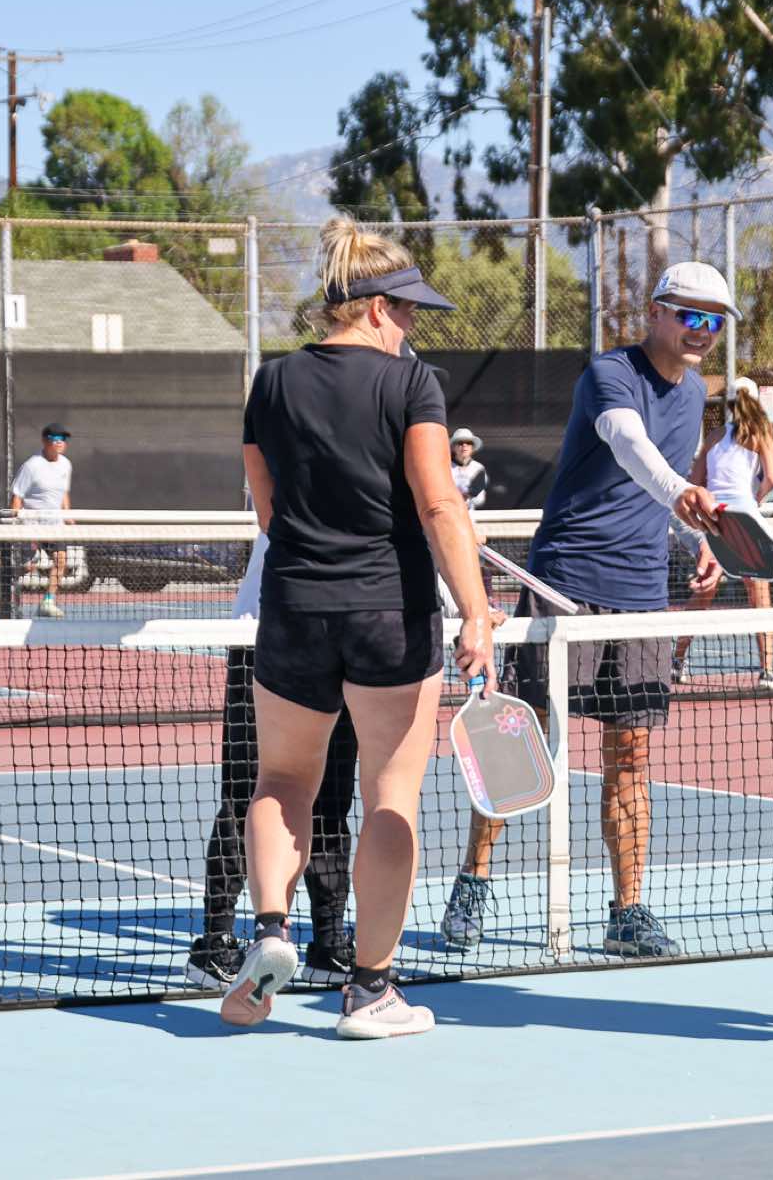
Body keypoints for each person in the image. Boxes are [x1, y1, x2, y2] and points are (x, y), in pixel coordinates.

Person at [224, 215, 493, 1040]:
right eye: (406, 310)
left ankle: (271, 929)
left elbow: (268, 511)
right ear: (375, 307)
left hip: (294, 609)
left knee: (282, 781)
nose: (411, 326)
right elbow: (438, 503)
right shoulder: (413, 384)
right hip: (389, 613)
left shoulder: (271, 382)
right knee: (391, 795)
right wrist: (477, 610)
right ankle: (371, 989)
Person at [441, 261, 730, 960]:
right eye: (690, 315)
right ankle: (473, 882)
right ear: (656, 312)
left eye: (715, 321)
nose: (702, 331)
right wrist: (682, 493)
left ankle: (627, 911)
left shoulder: (695, 394)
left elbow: (658, 495)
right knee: (520, 739)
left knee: (631, 756)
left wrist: (697, 538)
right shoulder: (610, 373)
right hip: (565, 582)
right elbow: (630, 446)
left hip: (640, 594)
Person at [186, 529, 361, 992]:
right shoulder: (286, 486)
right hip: (263, 636)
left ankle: (329, 941)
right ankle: (217, 942)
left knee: (331, 799)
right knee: (246, 794)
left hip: (343, 637)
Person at [674, 377, 773, 689]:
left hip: (715, 520)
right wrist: (755, 501)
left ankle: (676, 661)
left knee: (705, 590)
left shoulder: (714, 436)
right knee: (759, 593)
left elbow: (696, 481)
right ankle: (768, 671)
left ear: (729, 404)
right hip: (744, 520)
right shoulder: (762, 432)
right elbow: (772, 478)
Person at [0, 424, 74, 618]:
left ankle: (47, 602)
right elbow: (17, 497)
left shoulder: (66, 465)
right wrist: (15, 524)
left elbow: (63, 493)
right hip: (31, 525)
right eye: (55, 438)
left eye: (63, 439)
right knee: (28, 565)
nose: (59, 442)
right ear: (44, 441)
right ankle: (1, 582)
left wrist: (68, 516)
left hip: (54, 526)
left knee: (61, 560)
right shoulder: (32, 465)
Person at [449, 427, 488, 509]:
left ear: (472, 447)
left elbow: (480, 499)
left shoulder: (479, 468)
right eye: (460, 443)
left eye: (468, 442)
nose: (464, 445)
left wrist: (468, 496)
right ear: (453, 447)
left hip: (470, 514)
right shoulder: (445, 468)